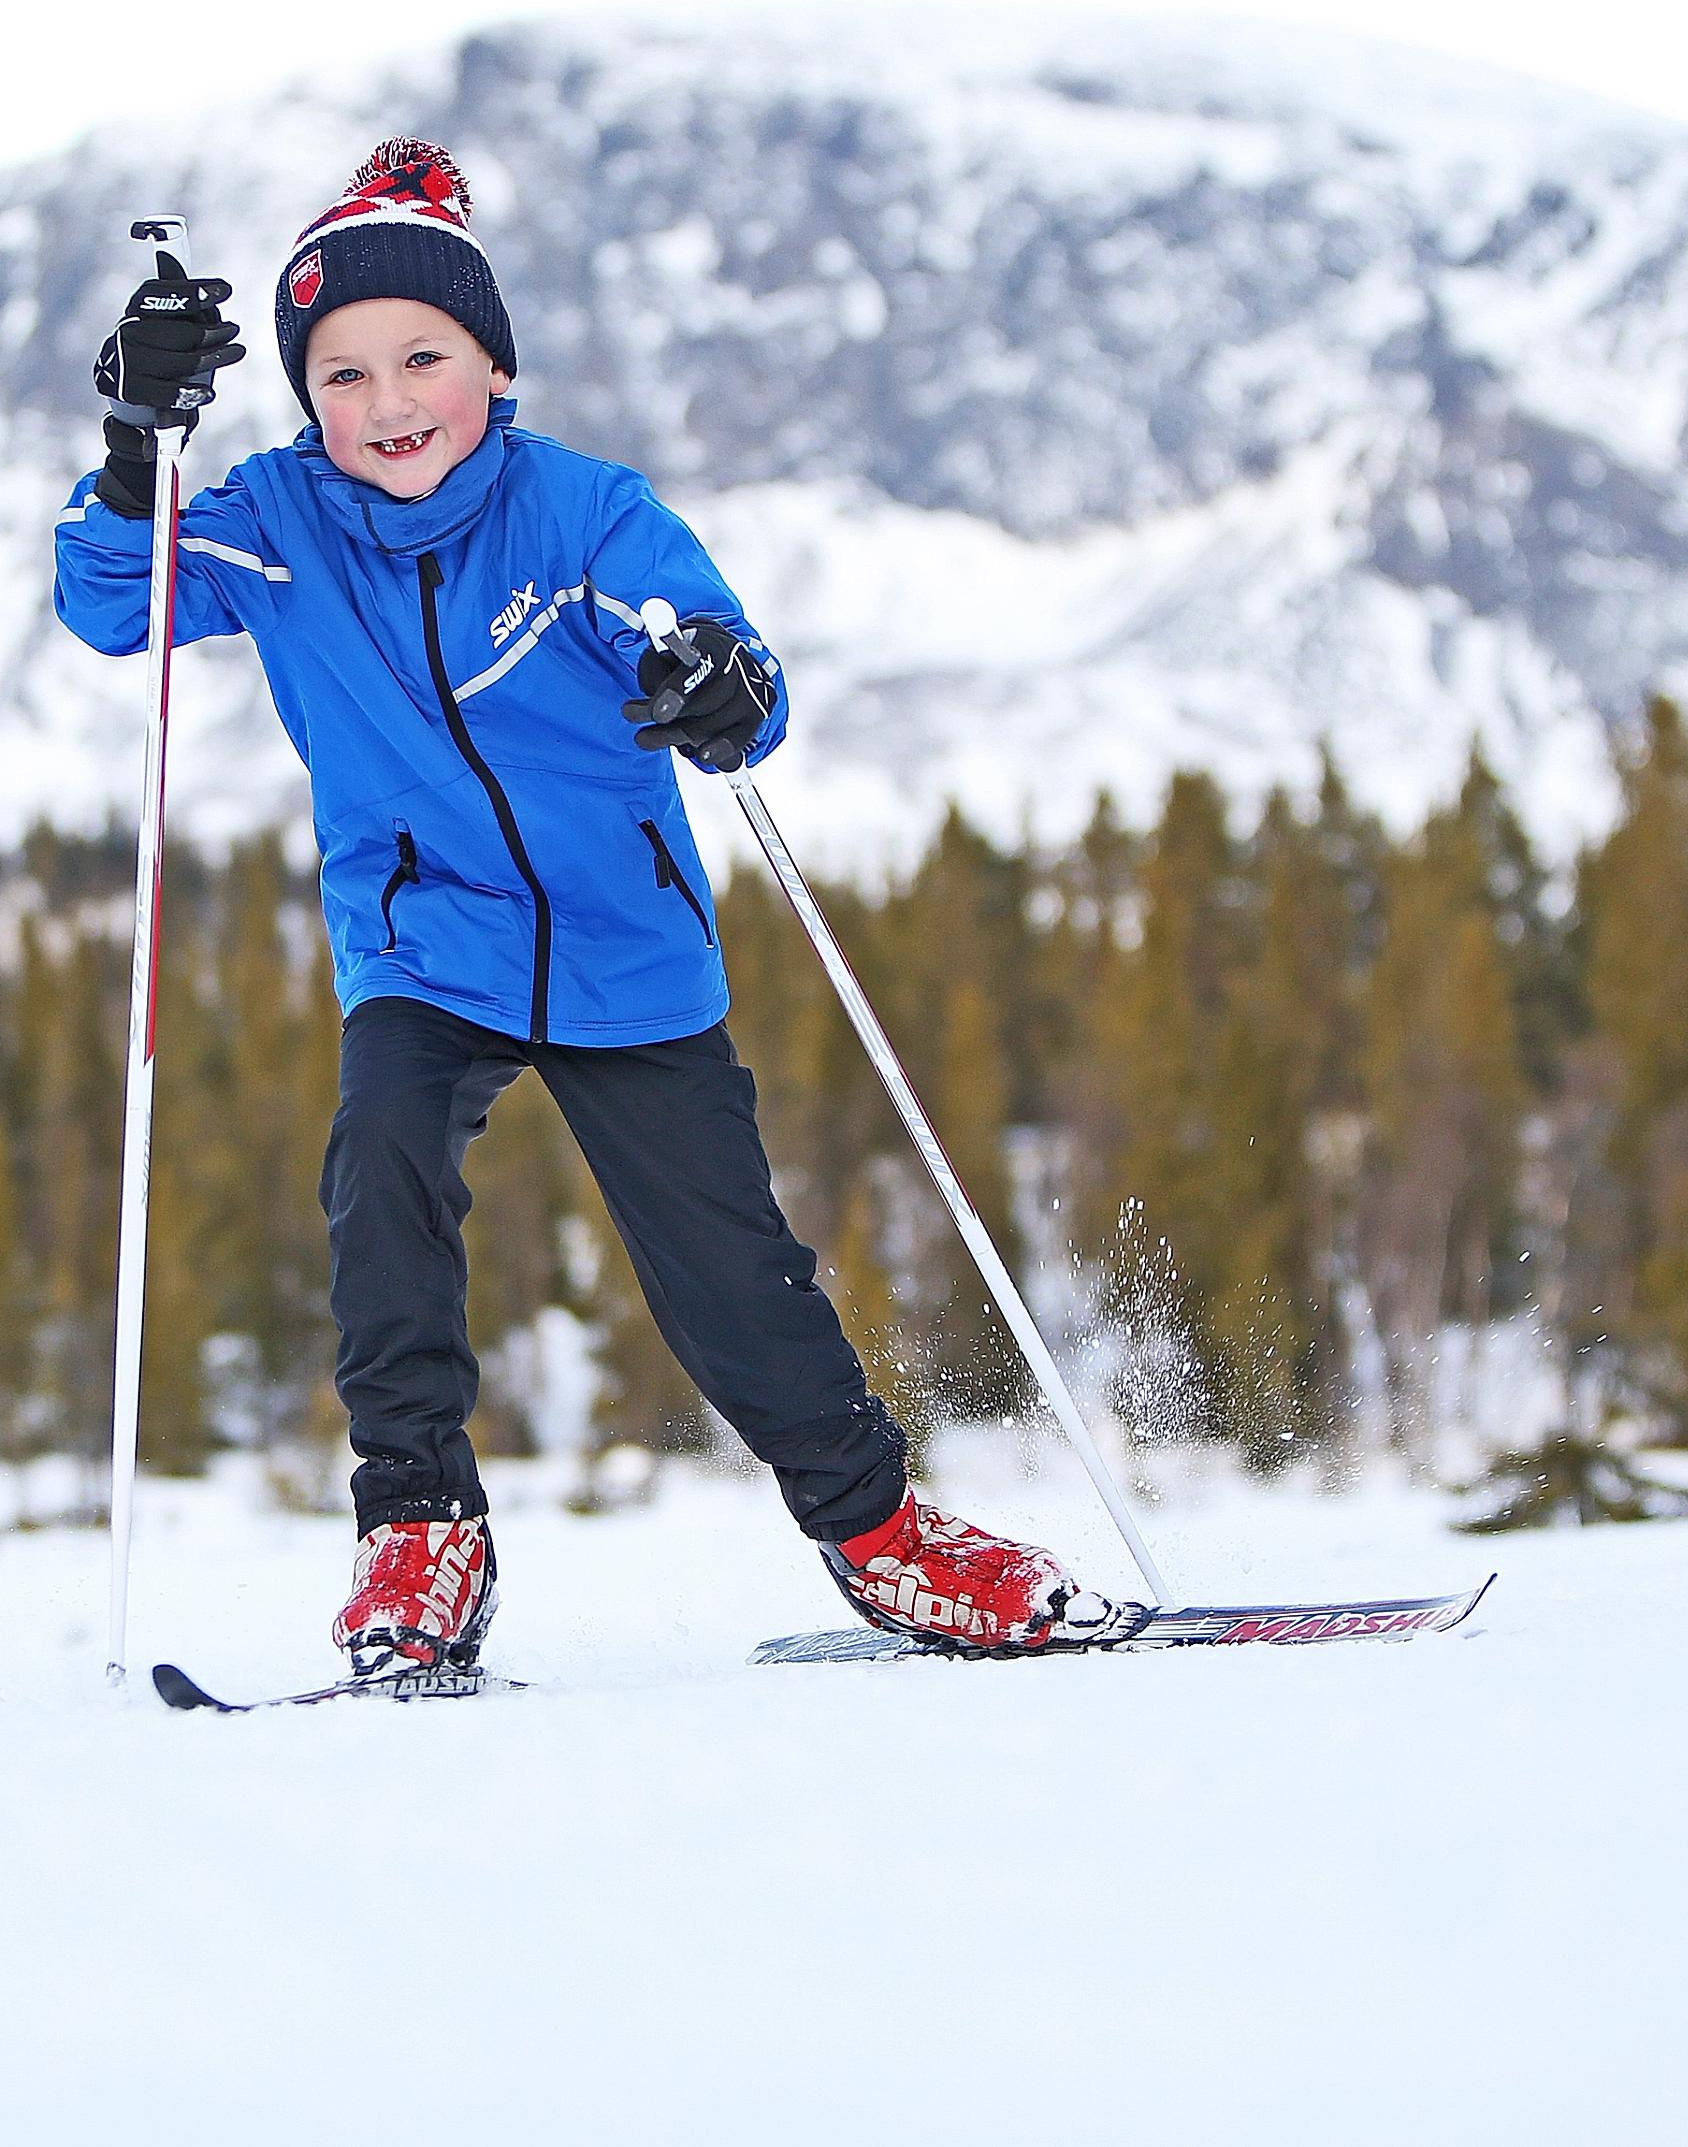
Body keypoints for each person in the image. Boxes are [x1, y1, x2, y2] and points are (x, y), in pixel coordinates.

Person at [54, 140, 1110, 1672]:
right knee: (382, 1174)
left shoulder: (583, 515)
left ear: (492, 364)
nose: (387, 400)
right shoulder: (274, 523)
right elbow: (110, 599)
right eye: (339, 374)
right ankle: (419, 1531)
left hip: (624, 944)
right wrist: (135, 441)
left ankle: (882, 1536)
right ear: (299, 397)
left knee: (731, 1272)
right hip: (424, 940)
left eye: (423, 355)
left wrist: (718, 687)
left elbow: (716, 657)